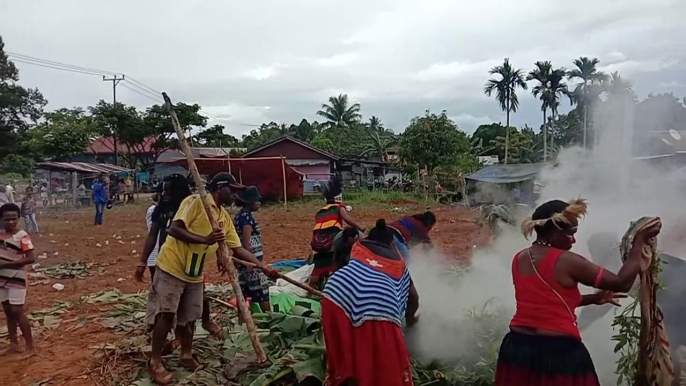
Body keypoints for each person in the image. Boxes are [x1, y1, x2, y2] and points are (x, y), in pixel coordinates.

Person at [494, 199, 661, 386]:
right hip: (557, 353)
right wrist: (638, 243)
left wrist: (594, 298)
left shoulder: (520, 258)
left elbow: (547, 302)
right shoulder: (567, 261)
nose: (573, 240)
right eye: (570, 233)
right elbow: (621, 283)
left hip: (517, 348)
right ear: (554, 230)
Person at [146, 172, 278, 384]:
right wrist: (205, 239)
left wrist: (263, 267)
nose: (235, 195)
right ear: (220, 188)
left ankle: (186, 355)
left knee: (190, 315)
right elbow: (174, 229)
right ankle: (155, 362)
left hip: (193, 272)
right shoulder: (196, 202)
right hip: (172, 265)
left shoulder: (223, 217)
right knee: (167, 314)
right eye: (232, 190)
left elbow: (237, 248)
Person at [578, 232, 686, 385]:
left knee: (667, 346)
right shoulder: (640, 255)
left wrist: (579, 325)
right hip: (674, 298)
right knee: (671, 344)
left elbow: (603, 298)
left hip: (676, 300)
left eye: (593, 250)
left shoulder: (621, 263)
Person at [322, 219, 419, 386]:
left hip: (334, 293)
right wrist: (410, 321)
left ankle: (345, 375)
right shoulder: (397, 262)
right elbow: (413, 298)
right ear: (390, 243)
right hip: (378, 307)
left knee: (347, 346)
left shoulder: (359, 249)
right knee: (382, 365)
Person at [136, 174, 222, 340]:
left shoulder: (192, 207)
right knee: (163, 299)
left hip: (192, 262)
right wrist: (142, 262)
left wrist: (219, 256)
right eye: (163, 190)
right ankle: (157, 331)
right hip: (168, 261)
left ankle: (204, 322)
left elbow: (212, 233)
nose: (165, 194)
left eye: (168, 191)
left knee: (196, 297)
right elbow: (152, 235)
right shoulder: (161, 210)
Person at [309, 176, 365, 288]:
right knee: (351, 240)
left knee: (318, 266)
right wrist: (360, 227)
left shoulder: (320, 211)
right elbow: (347, 219)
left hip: (317, 242)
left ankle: (310, 288)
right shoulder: (339, 207)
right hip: (332, 240)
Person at [0, 203, 36, 355]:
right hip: (1, 278)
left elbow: (30, 258)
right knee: (8, 311)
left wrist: (8, 264)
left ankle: (30, 347)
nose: (10, 222)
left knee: (17, 311)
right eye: (7, 219)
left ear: (19, 218)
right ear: (1, 219)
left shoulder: (22, 236)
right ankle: (13, 344)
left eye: (13, 219)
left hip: (17, 277)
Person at [233, 186, 271, 313]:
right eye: (256, 200)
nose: (259, 203)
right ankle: (271, 320)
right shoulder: (247, 217)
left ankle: (242, 323)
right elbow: (246, 241)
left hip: (242, 261)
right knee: (262, 293)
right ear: (249, 202)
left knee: (242, 295)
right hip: (252, 262)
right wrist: (252, 262)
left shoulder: (238, 216)